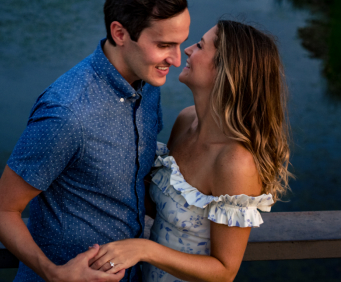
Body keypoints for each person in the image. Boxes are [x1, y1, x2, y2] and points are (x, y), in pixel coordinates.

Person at [0, 0, 191, 282]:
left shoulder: (148, 85)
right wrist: (54, 274)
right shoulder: (67, 112)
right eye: (165, 45)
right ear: (120, 33)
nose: (177, 60)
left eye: (180, 43)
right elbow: (0, 212)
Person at [87, 20, 292, 282]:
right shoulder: (186, 121)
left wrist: (144, 249)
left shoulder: (235, 163)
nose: (186, 50)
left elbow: (225, 270)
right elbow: (166, 204)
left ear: (225, 70)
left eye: (200, 46)